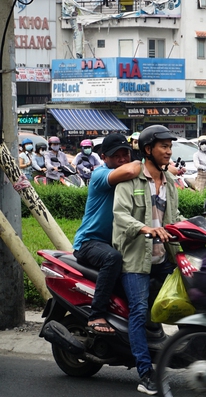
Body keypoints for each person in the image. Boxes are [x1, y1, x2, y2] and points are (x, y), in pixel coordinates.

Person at [112, 125, 183, 395]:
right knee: (139, 312)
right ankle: (145, 373)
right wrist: (145, 229)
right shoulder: (129, 181)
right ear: (147, 150)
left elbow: (173, 219)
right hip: (135, 260)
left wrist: (198, 227)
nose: (168, 151)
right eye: (163, 146)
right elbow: (120, 215)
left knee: (189, 297)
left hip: (163, 257)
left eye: (170, 146)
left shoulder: (171, 183)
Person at [72, 134, 140, 335]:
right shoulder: (100, 174)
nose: (122, 159)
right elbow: (130, 169)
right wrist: (142, 162)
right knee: (113, 259)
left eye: (125, 154)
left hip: (114, 241)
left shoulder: (129, 178)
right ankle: (96, 315)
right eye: (116, 156)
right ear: (104, 157)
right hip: (90, 242)